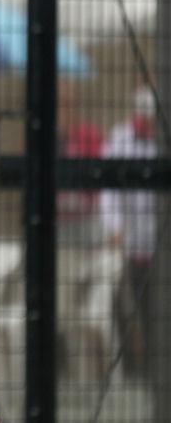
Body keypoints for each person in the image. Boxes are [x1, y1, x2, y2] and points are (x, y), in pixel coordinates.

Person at [100, 85, 159, 379]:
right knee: (126, 307)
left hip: (158, 245)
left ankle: (155, 369)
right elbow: (108, 190)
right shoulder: (121, 139)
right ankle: (133, 371)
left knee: (156, 309)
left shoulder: (160, 141)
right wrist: (114, 226)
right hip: (129, 244)